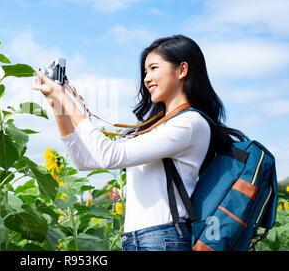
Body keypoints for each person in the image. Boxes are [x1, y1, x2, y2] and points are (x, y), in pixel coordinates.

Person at [32, 35, 248, 251]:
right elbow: (85, 160)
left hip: (162, 239)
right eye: (145, 72)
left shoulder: (190, 123)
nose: (146, 78)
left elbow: (110, 155)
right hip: (138, 240)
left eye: (153, 68)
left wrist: (68, 101)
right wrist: (58, 106)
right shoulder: (156, 127)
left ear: (182, 70)